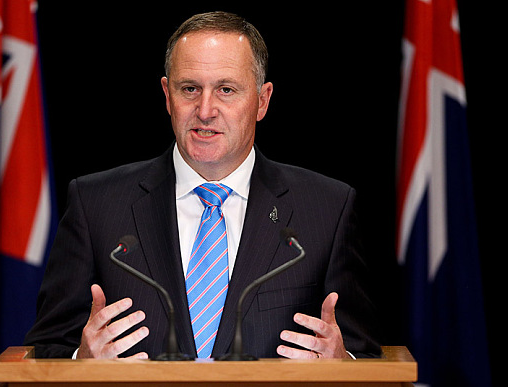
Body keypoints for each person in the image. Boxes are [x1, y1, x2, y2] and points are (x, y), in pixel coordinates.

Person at [24, 11, 380, 360]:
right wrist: (80, 362)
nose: (205, 110)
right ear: (167, 95)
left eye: (226, 90)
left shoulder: (326, 209)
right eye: (190, 88)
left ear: (262, 100)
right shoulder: (96, 203)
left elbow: (363, 353)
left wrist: (341, 362)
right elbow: (45, 348)